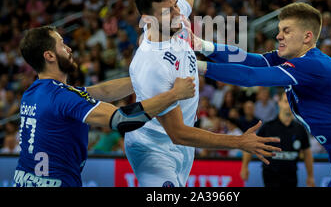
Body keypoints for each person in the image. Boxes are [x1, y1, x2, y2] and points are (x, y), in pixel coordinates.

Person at [120, 0, 281, 187]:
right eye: (168, 11)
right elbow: (178, 133)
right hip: (153, 146)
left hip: (184, 145)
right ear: (148, 19)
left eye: (174, 4)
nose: (177, 12)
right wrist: (239, 143)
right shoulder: (150, 64)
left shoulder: (173, 18)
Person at [193, 2, 331, 187]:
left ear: (307, 37)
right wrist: (202, 45)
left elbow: (250, 76)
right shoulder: (297, 59)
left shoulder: (313, 65)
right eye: (280, 30)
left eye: (286, 30)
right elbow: (252, 60)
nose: (278, 36)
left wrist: (195, 66)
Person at [13, 26, 196, 187]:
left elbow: (102, 91)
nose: (69, 48)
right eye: (62, 44)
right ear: (50, 55)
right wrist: (174, 94)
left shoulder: (33, 93)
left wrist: (148, 78)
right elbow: (123, 120)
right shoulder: (62, 97)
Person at [240, 93, 315, 187]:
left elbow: (307, 153)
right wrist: (244, 167)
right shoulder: (268, 127)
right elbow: (250, 145)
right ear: (279, 103)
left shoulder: (300, 129)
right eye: (285, 101)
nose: (289, 105)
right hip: (271, 177)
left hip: (291, 177)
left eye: (291, 102)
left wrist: (310, 176)